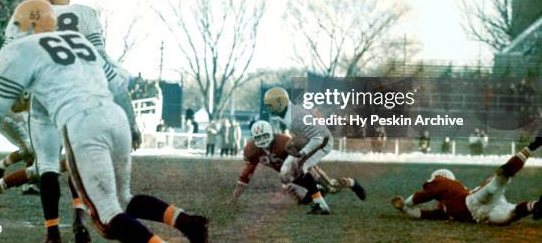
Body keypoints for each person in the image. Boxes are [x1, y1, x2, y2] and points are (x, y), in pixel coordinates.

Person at [0, 0, 209, 243]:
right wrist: (132, 124)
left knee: (108, 216)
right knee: (123, 198)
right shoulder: (79, 41)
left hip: (82, 124)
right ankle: (187, 222)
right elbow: (118, 85)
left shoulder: (21, 50)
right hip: (114, 117)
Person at [392, 135, 542, 224]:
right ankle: (536, 206)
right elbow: (424, 215)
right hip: (482, 216)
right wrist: (405, 210)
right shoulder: (446, 205)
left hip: (474, 202)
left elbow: (422, 196)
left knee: (498, 180)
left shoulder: (443, 183)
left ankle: (530, 148)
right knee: (510, 214)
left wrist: (406, 204)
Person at [229, 120, 365, 205]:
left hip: (303, 168)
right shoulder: (252, 149)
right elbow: (246, 175)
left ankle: (352, 182)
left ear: (272, 133)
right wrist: (233, 200)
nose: (263, 140)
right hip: (289, 177)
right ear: (253, 138)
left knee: (332, 187)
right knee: (299, 198)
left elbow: (302, 155)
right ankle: (315, 193)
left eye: (265, 135)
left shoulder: (284, 142)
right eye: (259, 137)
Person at [265, 87, 334, 215]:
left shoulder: (294, 117)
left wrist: (303, 152)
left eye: (271, 105)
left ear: (280, 102)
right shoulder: (288, 113)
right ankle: (315, 188)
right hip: (312, 139)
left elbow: (318, 137)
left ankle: (321, 205)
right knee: (289, 173)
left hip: (323, 140)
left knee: (301, 167)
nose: (269, 109)